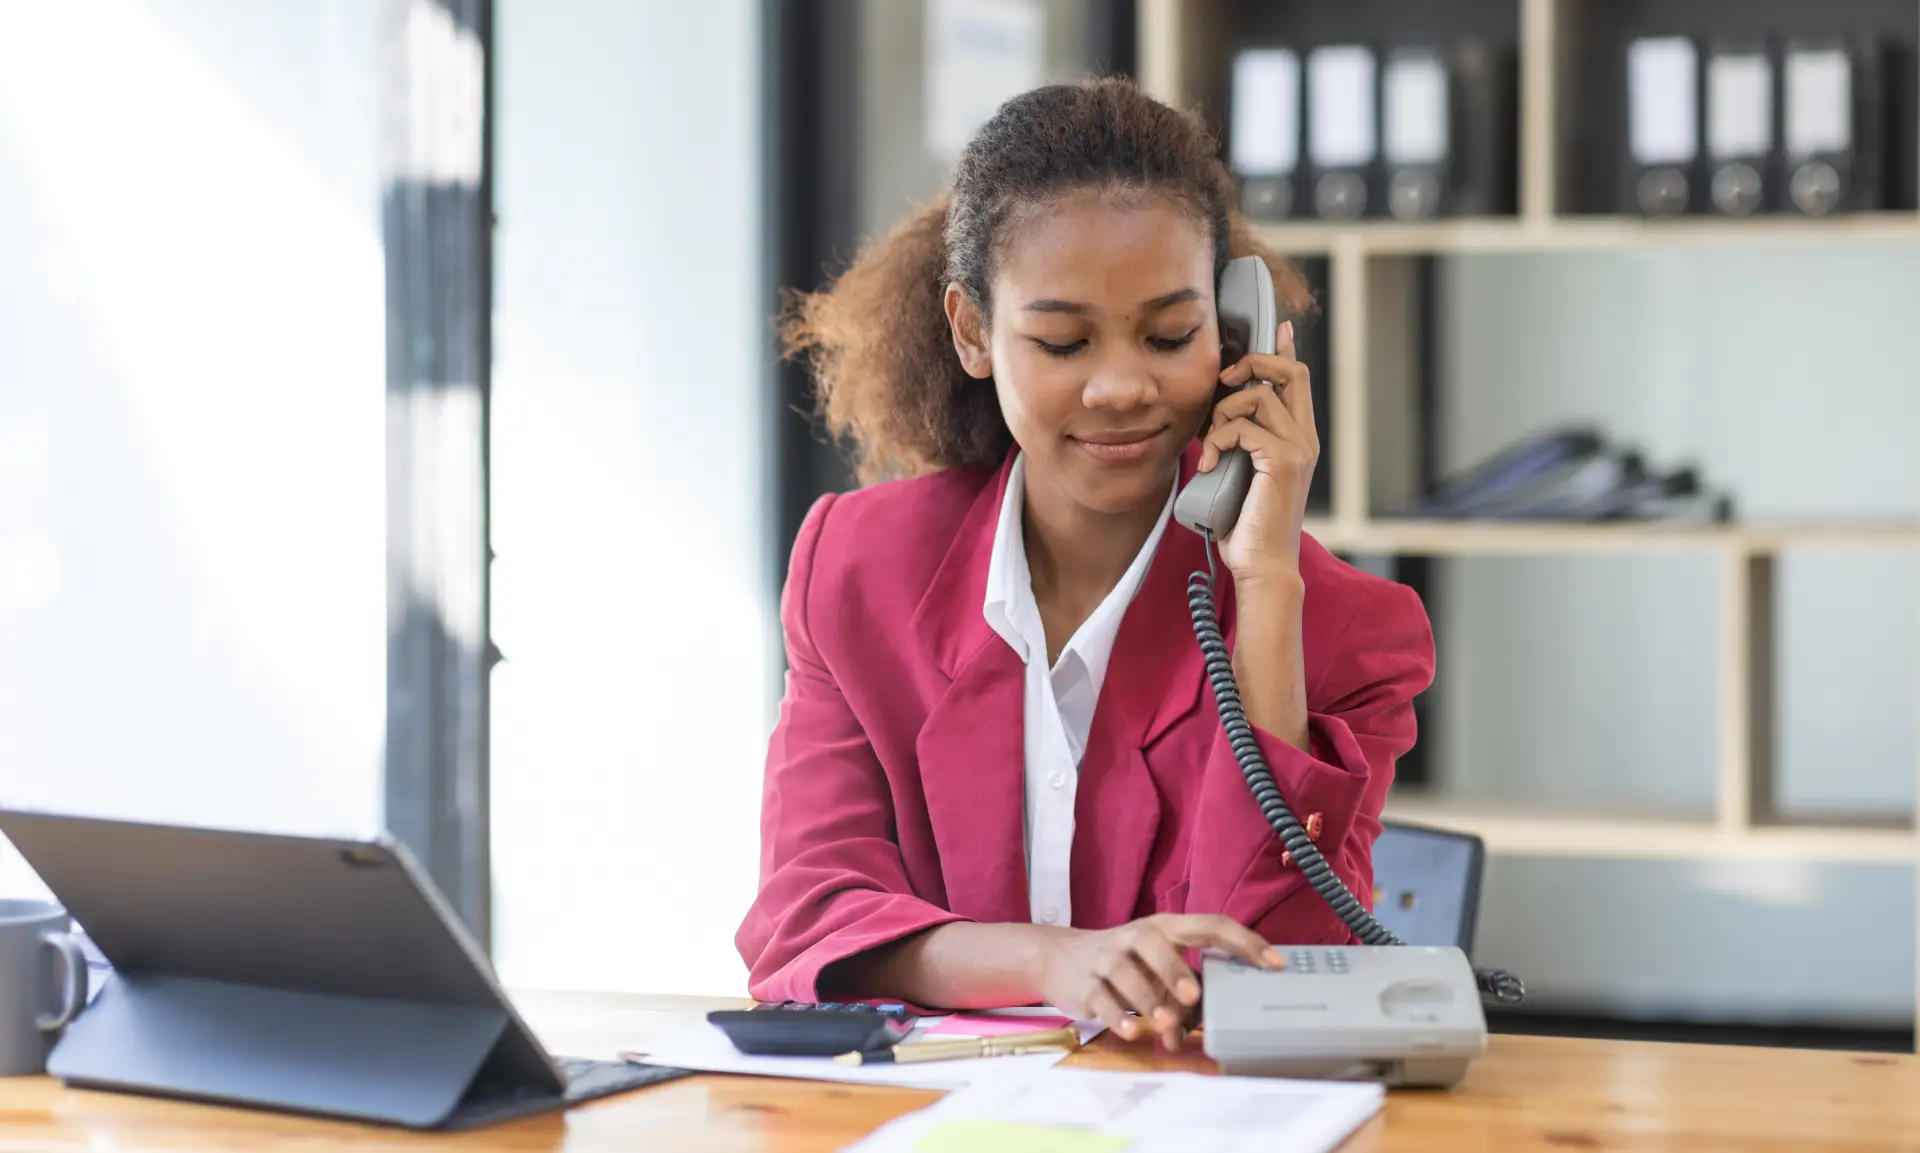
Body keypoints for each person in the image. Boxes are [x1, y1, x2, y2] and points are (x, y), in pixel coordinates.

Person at [736, 78, 1434, 1050]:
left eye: (1171, 335)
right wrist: (1049, 958)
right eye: (1063, 340)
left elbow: (1281, 977)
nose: (1119, 386)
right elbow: (807, 921)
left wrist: (1267, 584)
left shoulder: (1353, 631)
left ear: (1232, 330)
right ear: (974, 330)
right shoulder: (856, 572)